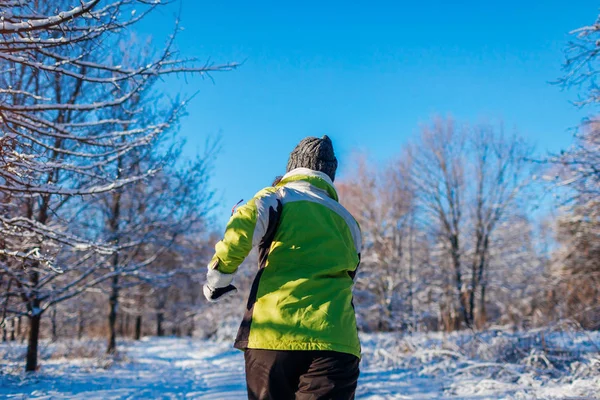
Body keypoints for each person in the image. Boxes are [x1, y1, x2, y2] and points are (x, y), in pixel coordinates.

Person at [203, 135, 362, 400]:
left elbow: (241, 229)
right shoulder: (349, 222)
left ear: (293, 167)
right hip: (337, 343)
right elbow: (351, 278)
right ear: (329, 175)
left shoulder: (278, 197)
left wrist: (217, 279)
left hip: (274, 334)